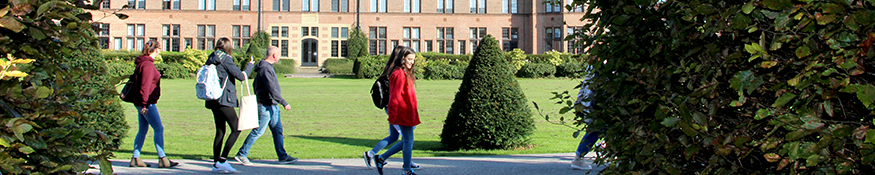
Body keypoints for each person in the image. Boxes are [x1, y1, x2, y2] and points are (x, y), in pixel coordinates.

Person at [233, 46, 298, 165]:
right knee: (258, 131)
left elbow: (257, 85)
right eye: (278, 54)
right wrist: (283, 102)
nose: (279, 57)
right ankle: (242, 154)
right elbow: (271, 88)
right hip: (266, 106)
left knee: (277, 131)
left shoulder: (266, 67)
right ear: (274, 55)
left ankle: (282, 156)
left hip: (272, 105)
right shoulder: (265, 69)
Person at [362, 47, 422, 172]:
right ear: (402, 59)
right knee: (408, 141)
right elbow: (395, 96)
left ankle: (380, 158)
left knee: (400, 138)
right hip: (402, 113)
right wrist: (393, 115)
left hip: (406, 112)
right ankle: (406, 168)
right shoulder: (399, 74)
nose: (412, 62)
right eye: (410, 59)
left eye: (413, 60)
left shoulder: (403, 73)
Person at [205, 37, 255, 173]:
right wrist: (250, 65)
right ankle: (222, 160)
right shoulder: (226, 58)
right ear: (228, 47)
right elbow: (240, 76)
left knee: (220, 130)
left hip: (212, 98)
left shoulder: (211, 57)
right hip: (224, 98)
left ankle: (216, 163)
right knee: (237, 128)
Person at [128, 40, 179, 168]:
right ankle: (162, 159)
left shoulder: (142, 63)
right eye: (159, 48)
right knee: (158, 128)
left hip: (141, 102)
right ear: (156, 50)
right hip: (147, 103)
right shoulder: (148, 65)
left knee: (143, 129)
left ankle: (135, 158)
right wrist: (145, 104)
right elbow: (145, 86)